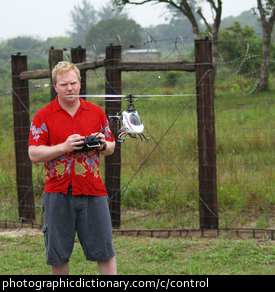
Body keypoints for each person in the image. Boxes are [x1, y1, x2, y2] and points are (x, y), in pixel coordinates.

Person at [28, 61, 117, 275]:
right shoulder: (43, 115)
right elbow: (34, 154)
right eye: (64, 84)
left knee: (105, 250)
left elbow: (111, 147)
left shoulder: (96, 113)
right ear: (55, 87)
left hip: (93, 189)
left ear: (80, 84)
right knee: (57, 253)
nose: (70, 88)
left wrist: (101, 144)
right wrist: (65, 147)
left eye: (73, 83)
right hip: (57, 191)